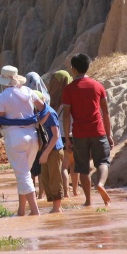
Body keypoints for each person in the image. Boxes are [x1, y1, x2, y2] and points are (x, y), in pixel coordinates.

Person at [0, 65, 45, 216]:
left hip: (15, 138)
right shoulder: (29, 91)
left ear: (4, 81)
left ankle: (35, 212)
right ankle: (21, 211)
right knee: (24, 173)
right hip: (33, 138)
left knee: (23, 175)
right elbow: (44, 108)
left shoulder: (2, 97)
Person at [61, 53, 113, 206]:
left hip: (79, 134)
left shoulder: (68, 90)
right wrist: (108, 134)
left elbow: (66, 116)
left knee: (83, 168)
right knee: (103, 162)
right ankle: (101, 184)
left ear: (74, 69)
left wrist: (68, 139)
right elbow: (106, 112)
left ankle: (88, 201)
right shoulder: (98, 86)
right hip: (98, 131)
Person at [48, 69, 77, 197]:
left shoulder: (53, 102)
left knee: (64, 166)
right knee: (74, 165)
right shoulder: (72, 98)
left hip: (61, 137)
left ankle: (66, 193)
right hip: (74, 134)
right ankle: (76, 192)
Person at [38, 103, 65, 213]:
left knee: (54, 178)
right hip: (47, 149)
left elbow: (56, 135)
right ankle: (57, 207)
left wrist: (45, 153)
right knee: (46, 178)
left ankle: (57, 207)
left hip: (54, 150)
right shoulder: (41, 113)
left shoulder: (50, 113)